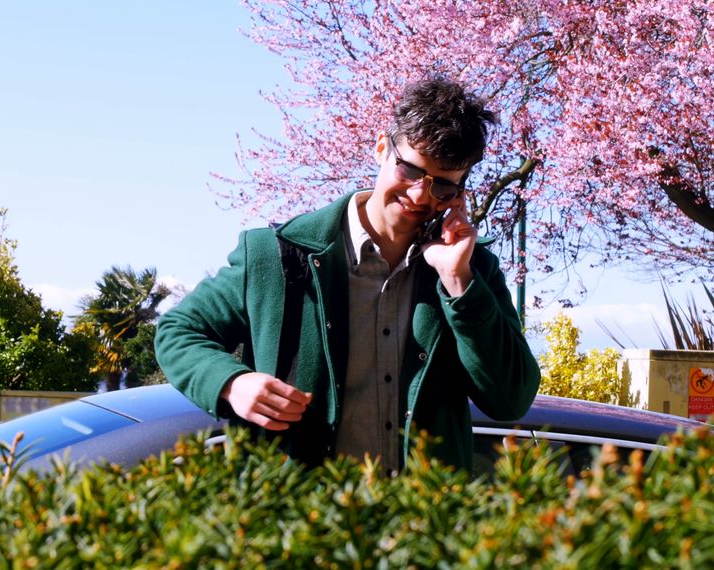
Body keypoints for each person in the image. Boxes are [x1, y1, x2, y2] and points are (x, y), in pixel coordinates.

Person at [154, 77, 540, 472]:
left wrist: (459, 285)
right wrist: (232, 384)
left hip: (423, 527)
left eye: (442, 186)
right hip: (300, 525)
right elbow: (179, 331)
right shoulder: (279, 255)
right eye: (409, 170)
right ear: (381, 149)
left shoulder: (471, 272)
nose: (420, 196)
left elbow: (511, 399)